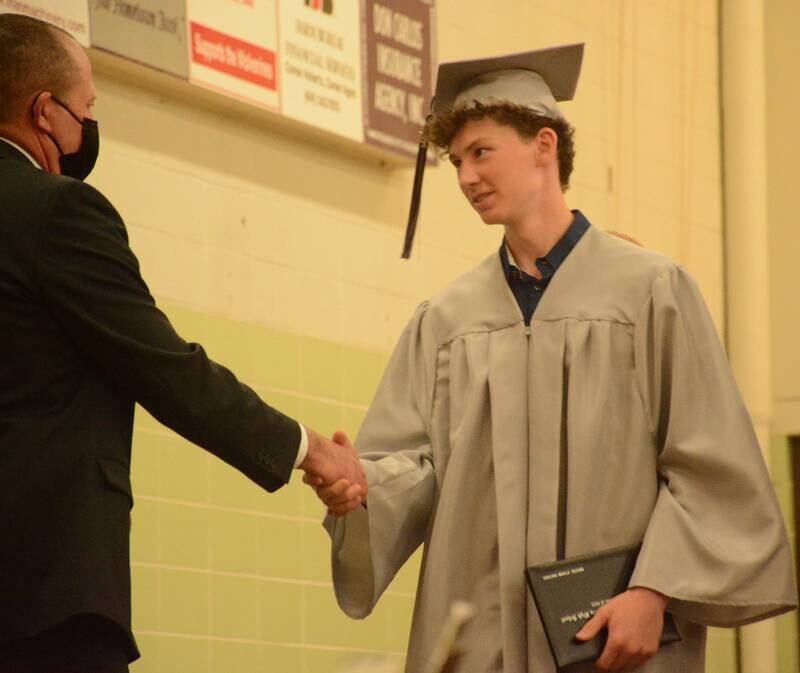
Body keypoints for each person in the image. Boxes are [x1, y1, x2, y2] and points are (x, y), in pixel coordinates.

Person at [320, 44, 797, 673]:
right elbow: (413, 469)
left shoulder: (650, 292)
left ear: (544, 145)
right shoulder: (447, 321)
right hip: (482, 644)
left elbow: (712, 468)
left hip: (613, 640)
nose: (465, 178)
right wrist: (360, 489)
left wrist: (654, 590)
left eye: (481, 152)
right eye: (457, 161)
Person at [0, 13, 365, 673]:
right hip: (39, 594)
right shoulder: (56, 209)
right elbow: (163, 367)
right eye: (87, 109)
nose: (90, 126)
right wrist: (309, 449)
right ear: (45, 112)